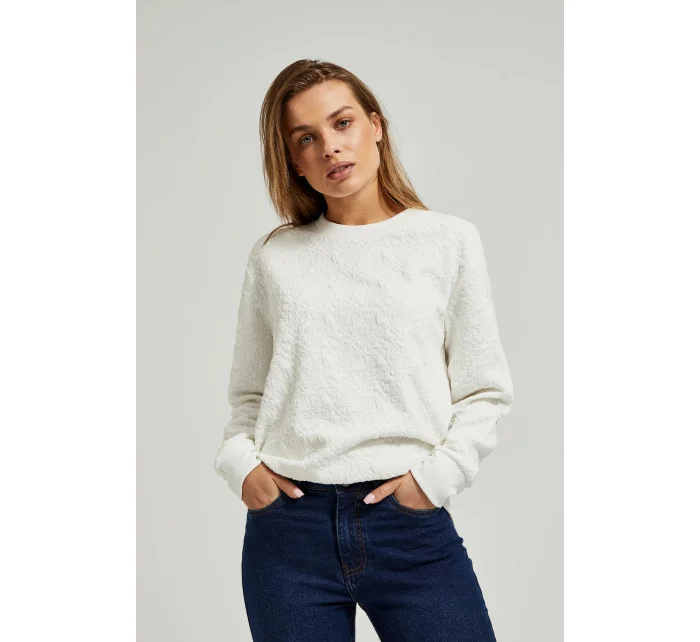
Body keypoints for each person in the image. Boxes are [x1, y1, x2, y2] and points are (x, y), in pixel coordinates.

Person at [213, 59, 515, 642]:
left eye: (342, 122)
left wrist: (433, 481)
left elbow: (484, 389)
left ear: (376, 126)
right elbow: (250, 392)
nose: (330, 146)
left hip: (409, 529)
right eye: (306, 138)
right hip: (288, 534)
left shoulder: (447, 242)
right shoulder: (275, 257)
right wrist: (241, 465)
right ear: (293, 160)